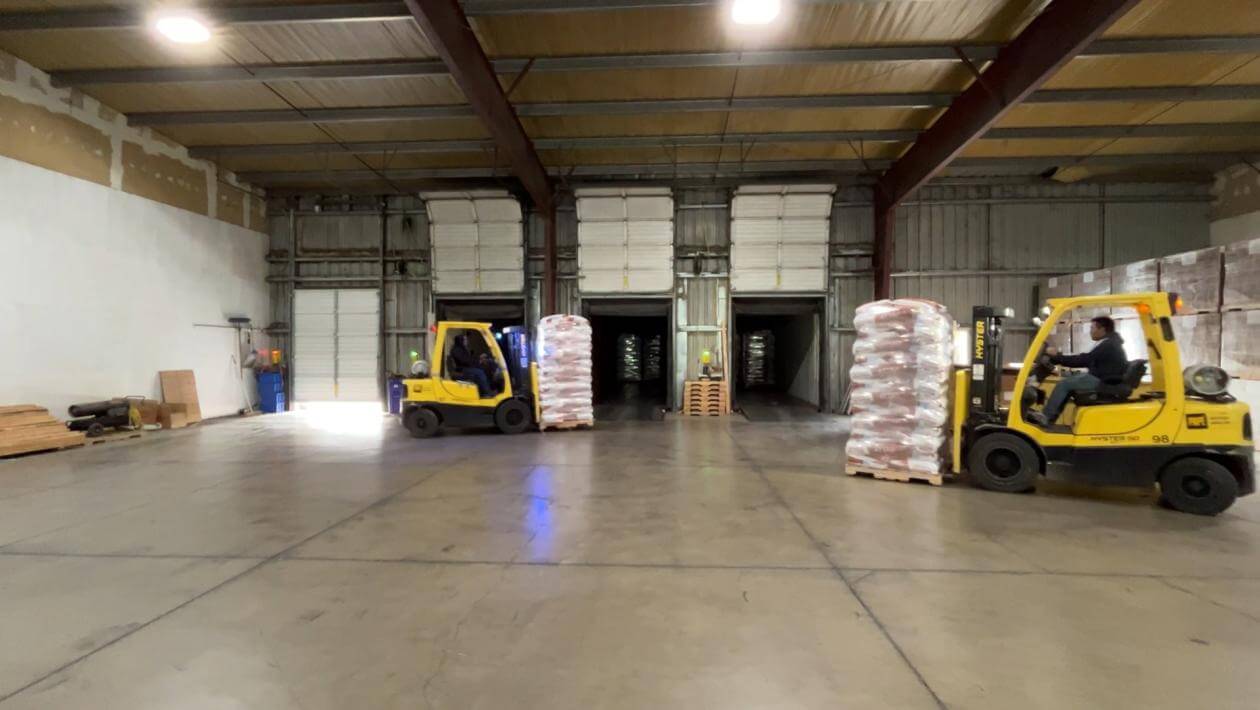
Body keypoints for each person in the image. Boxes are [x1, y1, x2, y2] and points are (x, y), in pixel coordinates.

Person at [1027, 316, 1128, 426]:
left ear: (1102, 329)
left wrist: (1057, 357)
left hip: (1103, 381)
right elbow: (1087, 359)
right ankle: (1049, 418)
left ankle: (1046, 416)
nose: (1090, 331)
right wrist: (1059, 358)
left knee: (1064, 384)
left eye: (1092, 328)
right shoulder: (1110, 342)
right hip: (1102, 377)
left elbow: (1083, 360)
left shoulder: (1108, 344)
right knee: (1068, 382)